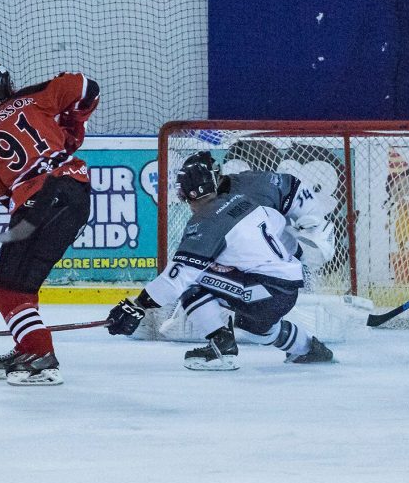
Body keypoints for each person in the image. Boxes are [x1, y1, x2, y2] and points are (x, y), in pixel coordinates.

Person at [105, 152, 334, 370]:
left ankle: (221, 344)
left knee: (193, 282)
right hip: (286, 286)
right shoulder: (244, 201)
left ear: (189, 195)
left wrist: (137, 306)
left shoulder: (205, 221)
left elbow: (177, 277)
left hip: (266, 290)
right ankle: (310, 348)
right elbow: (277, 224)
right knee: (257, 328)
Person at [0, 63, 97, 386]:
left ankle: (40, 354)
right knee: (22, 288)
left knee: (4, 291)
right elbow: (87, 88)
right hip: (77, 194)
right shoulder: (31, 97)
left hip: (39, 202)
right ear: (8, 85)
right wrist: (71, 128)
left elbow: (4, 194)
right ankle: (27, 345)